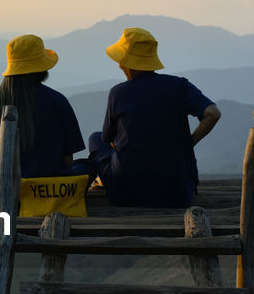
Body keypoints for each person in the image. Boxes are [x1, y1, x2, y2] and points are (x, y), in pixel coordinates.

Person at [88, 27, 221, 208]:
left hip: (127, 192)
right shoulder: (179, 86)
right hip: (178, 192)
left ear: (124, 64)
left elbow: (108, 140)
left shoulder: (118, 93)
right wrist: (188, 144)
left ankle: (102, 181)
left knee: (95, 138)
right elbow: (213, 114)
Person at [0, 34, 89, 209]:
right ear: (41, 69)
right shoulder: (58, 101)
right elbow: (68, 159)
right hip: (52, 193)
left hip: (6, 195)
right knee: (87, 166)